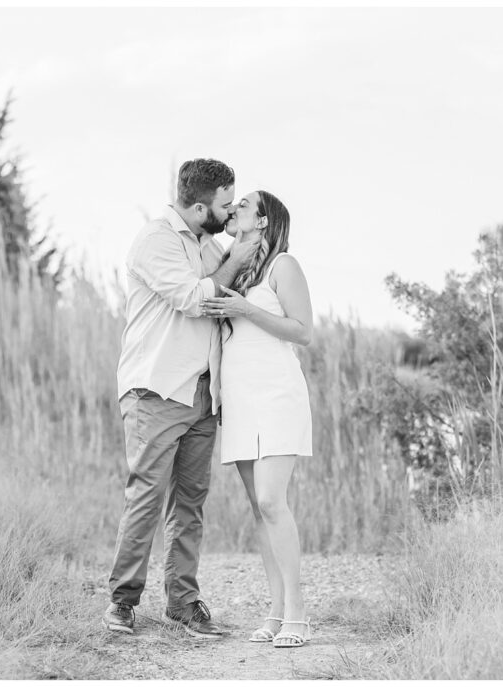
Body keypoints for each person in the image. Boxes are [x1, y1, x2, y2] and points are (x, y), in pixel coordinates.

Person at [103, 159, 260, 639]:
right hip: (156, 389)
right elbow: (197, 298)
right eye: (224, 204)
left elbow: (232, 283)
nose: (229, 210)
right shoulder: (156, 240)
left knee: (191, 502)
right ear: (198, 206)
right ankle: (121, 602)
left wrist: (245, 239)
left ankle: (183, 604)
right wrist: (236, 253)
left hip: (201, 392)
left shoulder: (207, 243)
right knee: (147, 497)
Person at [201, 190, 314, 649]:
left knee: (271, 500)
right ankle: (273, 610)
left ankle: (298, 612)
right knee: (258, 509)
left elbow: (304, 332)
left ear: (264, 220)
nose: (233, 210)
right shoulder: (235, 265)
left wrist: (245, 308)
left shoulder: (282, 265)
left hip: (276, 392)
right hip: (241, 397)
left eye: (243, 205)